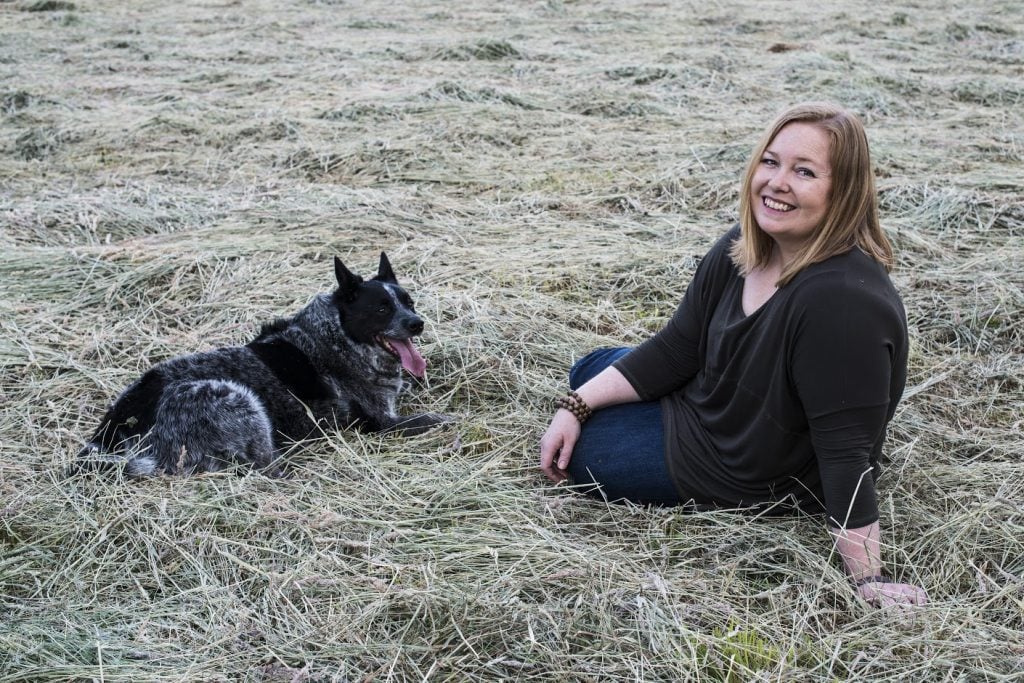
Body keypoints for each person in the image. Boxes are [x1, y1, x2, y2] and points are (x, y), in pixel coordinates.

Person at [539, 102, 928, 608]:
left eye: (804, 172)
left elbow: (846, 455)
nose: (777, 182)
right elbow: (680, 346)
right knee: (592, 368)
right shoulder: (747, 245)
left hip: (753, 463)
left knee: (591, 454)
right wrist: (575, 406)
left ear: (843, 193)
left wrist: (868, 581)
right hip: (722, 403)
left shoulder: (842, 303)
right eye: (771, 162)